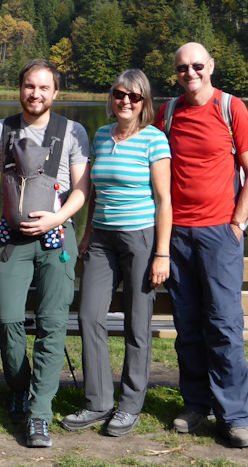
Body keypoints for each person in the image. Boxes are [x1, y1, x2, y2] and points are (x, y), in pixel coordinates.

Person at [154, 42, 248, 448]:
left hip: (220, 234)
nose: (190, 73)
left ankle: (233, 416)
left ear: (211, 67)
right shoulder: (167, 112)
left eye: (197, 65)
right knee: (188, 327)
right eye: (182, 67)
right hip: (178, 235)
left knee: (224, 326)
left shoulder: (231, 107)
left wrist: (237, 224)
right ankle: (196, 404)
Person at [0, 59, 90, 448]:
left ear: (55, 92)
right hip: (11, 240)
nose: (36, 94)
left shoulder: (74, 131)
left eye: (44, 88)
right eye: (30, 86)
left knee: (51, 325)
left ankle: (39, 414)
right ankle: (20, 385)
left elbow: (82, 190)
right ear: (20, 89)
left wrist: (56, 219)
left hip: (56, 240)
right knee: (7, 317)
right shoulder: (0, 131)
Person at [61, 69, 172, 437]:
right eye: (119, 94)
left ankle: (130, 404)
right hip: (102, 241)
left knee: (136, 324)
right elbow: (93, 192)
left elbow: (163, 199)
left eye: (134, 97)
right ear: (111, 98)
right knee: (89, 316)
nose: (125, 101)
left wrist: (161, 253)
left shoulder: (154, 140)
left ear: (144, 102)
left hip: (139, 239)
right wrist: (88, 232)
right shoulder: (101, 135)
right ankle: (97, 402)